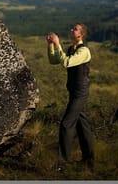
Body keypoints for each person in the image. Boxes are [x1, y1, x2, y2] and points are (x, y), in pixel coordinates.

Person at [46, 23, 95, 170]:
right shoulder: (71, 49)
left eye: (75, 29)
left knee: (66, 124)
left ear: (81, 34)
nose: (71, 30)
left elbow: (67, 62)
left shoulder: (84, 51)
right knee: (83, 127)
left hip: (80, 93)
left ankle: (63, 163)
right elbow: (54, 60)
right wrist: (51, 45)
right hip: (74, 92)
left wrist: (57, 43)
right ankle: (89, 161)